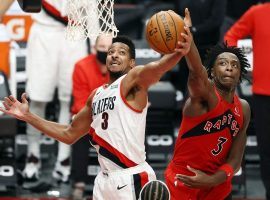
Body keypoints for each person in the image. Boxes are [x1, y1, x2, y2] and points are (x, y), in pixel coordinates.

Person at [0, 14, 192, 199]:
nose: (114, 55)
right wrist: (28, 116)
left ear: (132, 63)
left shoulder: (132, 81)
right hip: (104, 181)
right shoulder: (96, 94)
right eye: (111, 51)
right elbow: (69, 134)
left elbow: (158, 68)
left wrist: (179, 51)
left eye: (121, 53)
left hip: (130, 176)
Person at [165, 8, 251, 200]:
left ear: (239, 75)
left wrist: (212, 180)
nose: (229, 67)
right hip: (184, 180)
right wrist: (190, 42)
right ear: (212, 73)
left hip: (217, 186)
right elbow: (197, 74)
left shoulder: (243, 108)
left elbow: (236, 159)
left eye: (234, 65)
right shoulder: (205, 98)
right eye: (222, 63)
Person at [22, 0, 89, 183]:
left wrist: (99, 34)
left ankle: (64, 159)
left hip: (76, 30)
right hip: (44, 31)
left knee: (70, 101)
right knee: (37, 99)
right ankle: (32, 156)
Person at [224, 1, 270, 199]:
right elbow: (230, 36)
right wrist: (240, 64)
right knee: (267, 150)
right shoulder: (257, 12)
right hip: (263, 94)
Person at [71, 33, 112, 199]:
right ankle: (79, 183)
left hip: (114, 119)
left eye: (110, 49)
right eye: (102, 48)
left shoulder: (122, 68)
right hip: (88, 118)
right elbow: (80, 103)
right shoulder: (81, 66)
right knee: (77, 128)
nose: (107, 52)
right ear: (94, 48)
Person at [172, 0, 226, 96]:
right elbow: (176, 15)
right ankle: (181, 102)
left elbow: (216, 20)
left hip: (208, 47)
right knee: (184, 82)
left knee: (204, 87)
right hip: (185, 45)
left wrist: (194, 30)